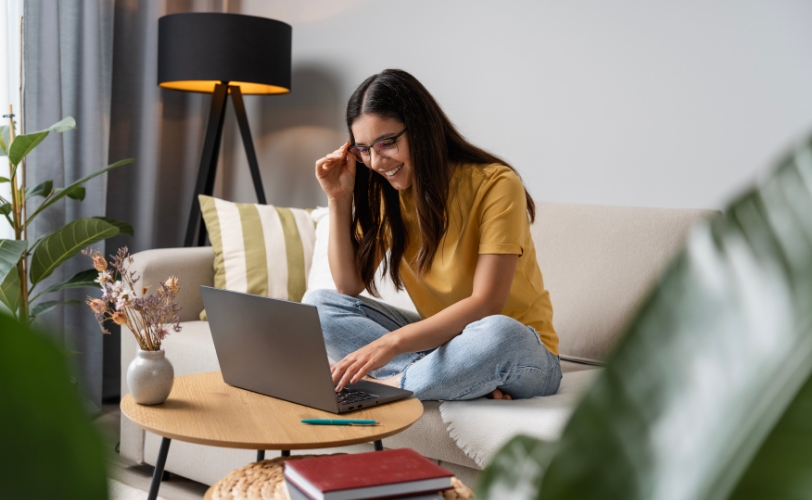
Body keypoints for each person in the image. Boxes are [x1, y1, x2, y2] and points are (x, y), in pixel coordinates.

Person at [305, 69, 561, 401]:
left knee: (499, 334)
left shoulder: (496, 183)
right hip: (446, 345)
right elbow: (348, 286)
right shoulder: (388, 195)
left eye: (387, 143)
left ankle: (391, 387)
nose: (377, 161)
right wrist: (338, 199)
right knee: (318, 306)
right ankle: (458, 377)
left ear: (421, 129)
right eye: (363, 150)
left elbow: (487, 304)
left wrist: (391, 342)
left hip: (523, 352)